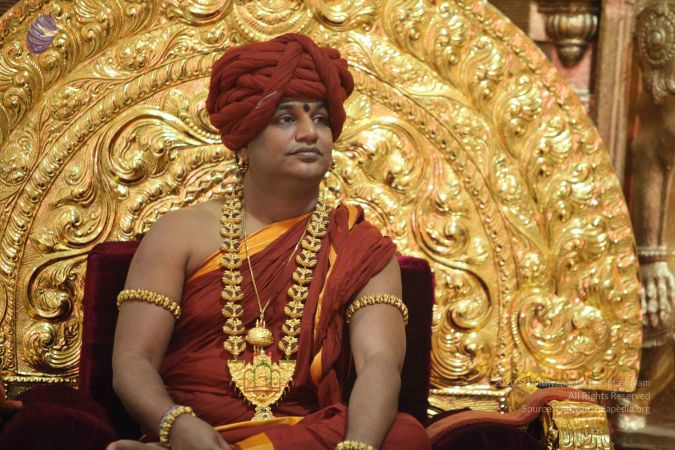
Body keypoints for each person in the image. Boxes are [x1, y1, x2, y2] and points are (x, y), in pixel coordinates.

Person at [107, 33, 431, 450]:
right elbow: (133, 361)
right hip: (196, 434)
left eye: (320, 119)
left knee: (405, 434)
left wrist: (359, 447)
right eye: (286, 119)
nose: (309, 133)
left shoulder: (361, 246)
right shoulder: (179, 232)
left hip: (307, 433)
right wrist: (178, 426)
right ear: (244, 142)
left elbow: (379, 363)